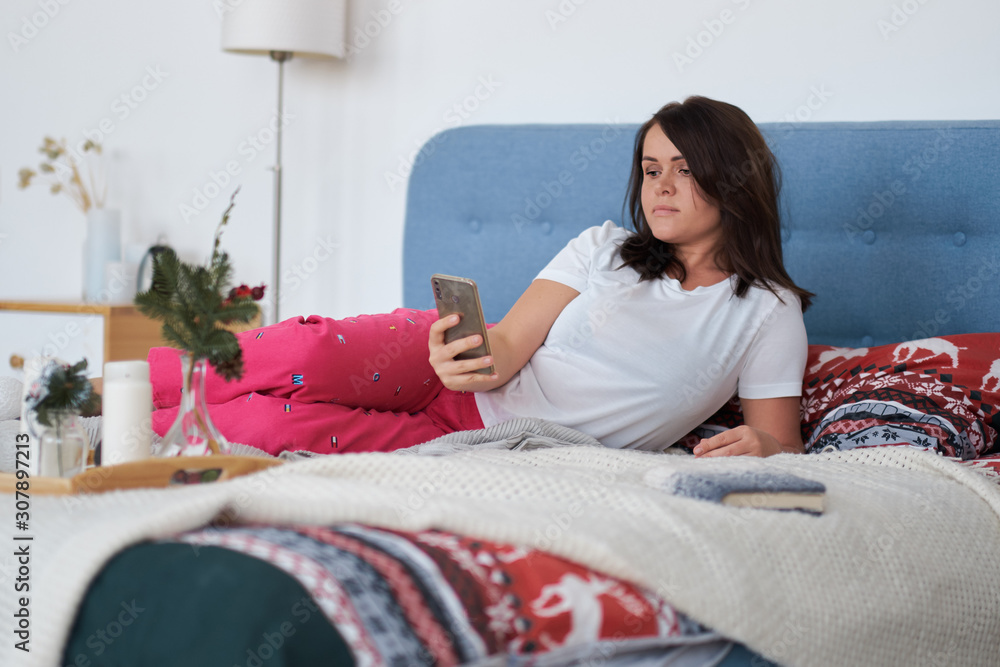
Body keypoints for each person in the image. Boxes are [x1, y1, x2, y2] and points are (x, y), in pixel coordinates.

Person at [148, 96, 811, 458]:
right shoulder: (601, 247)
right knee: (301, 351)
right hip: (445, 360)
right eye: (651, 166)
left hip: (484, 437)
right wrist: (461, 355)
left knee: (271, 431)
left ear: (733, 175)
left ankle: (137, 428)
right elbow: (512, 343)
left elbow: (780, 442)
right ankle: (113, 393)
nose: (661, 184)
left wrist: (764, 447)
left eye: (685, 168)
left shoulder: (766, 311)